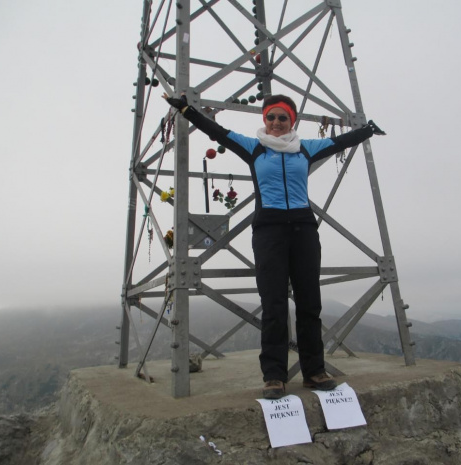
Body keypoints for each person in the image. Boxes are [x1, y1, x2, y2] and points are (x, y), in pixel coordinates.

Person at [163, 92, 385, 399]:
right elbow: (218, 132)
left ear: (291, 121)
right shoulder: (254, 148)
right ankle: (274, 375)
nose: (276, 123)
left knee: (309, 301)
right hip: (269, 231)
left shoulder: (305, 149)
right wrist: (187, 109)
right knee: (274, 303)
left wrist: (367, 130)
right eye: (271, 117)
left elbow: (340, 143)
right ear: (264, 120)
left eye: (283, 117)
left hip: (304, 229)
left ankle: (314, 371)